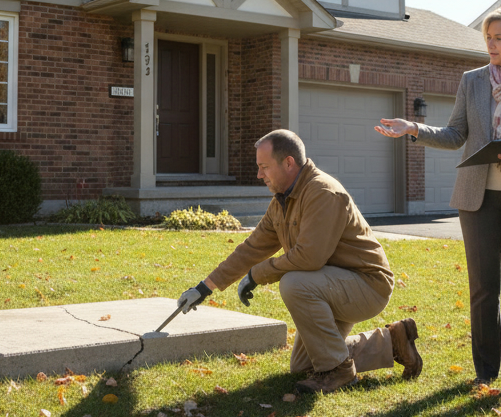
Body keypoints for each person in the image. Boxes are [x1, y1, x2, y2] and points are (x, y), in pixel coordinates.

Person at [375, 5, 501, 392]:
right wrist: (413, 127)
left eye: (499, 38)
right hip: (477, 199)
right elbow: (455, 134)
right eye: (488, 38)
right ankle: (486, 372)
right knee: (483, 288)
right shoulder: (473, 81)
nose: (491, 45)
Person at [175, 129, 423, 394]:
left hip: (367, 285)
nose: (260, 175)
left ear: (289, 163)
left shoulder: (322, 192)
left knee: (294, 283)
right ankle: (393, 343)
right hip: (331, 284)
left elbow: (309, 257)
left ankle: (339, 372)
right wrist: (204, 288)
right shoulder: (282, 200)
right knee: (304, 366)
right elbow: (251, 248)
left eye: (264, 167)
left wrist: (257, 275)